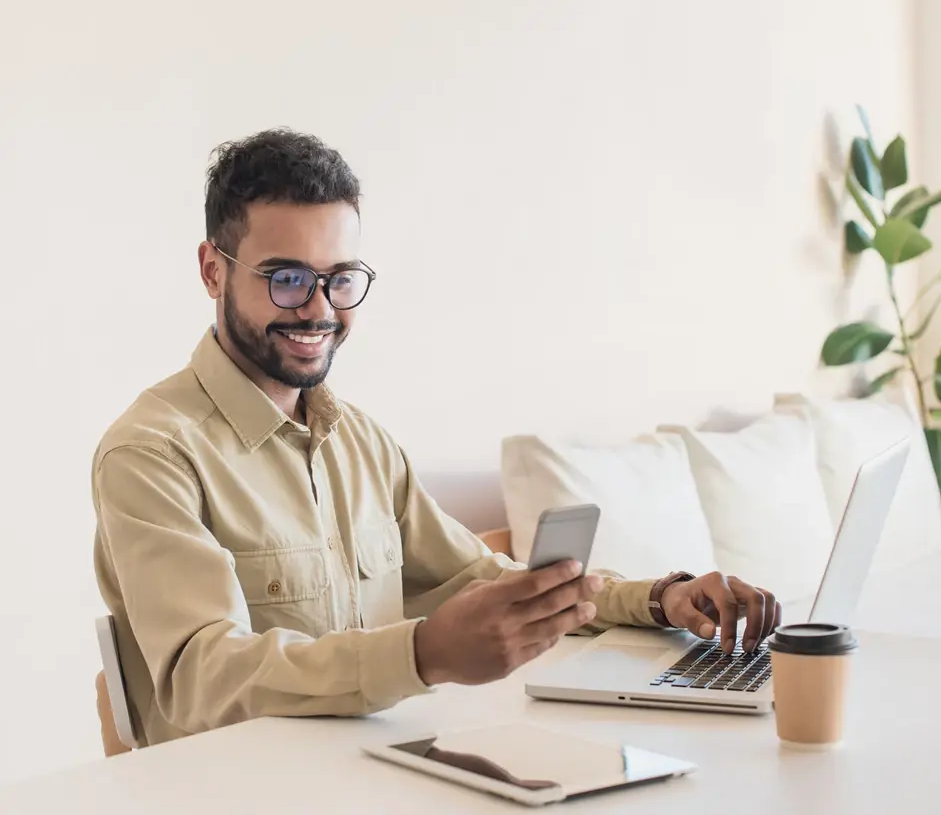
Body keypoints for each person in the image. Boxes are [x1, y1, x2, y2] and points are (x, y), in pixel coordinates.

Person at [92, 128, 781, 747]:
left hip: (372, 768)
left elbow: (479, 579)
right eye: (288, 279)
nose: (319, 309)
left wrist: (661, 599)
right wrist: (423, 655)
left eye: (340, 280)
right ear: (214, 270)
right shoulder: (152, 453)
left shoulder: (361, 442)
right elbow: (202, 678)